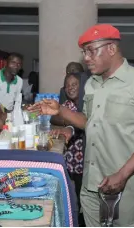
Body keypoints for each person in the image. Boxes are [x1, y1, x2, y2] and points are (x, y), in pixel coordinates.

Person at [29, 24, 134, 226]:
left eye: (91, 51)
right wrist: (61, 110)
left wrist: (122, 174)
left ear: (111, 49)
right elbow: (89, 121)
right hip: (91, 182)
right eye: (84, 52)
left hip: (123, 183)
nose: (86, 57)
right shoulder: (92, 83)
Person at [51, 73, 86, 225]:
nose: (70, 88)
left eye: (74, 84)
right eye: (67, 86)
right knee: (72, 192)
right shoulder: (68, 105)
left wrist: (67, 122)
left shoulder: (86, 103)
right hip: (71, 159)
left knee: (82, 193)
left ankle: (82, 220)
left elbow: (83, 123)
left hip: (84, 159)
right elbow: (53, 117)